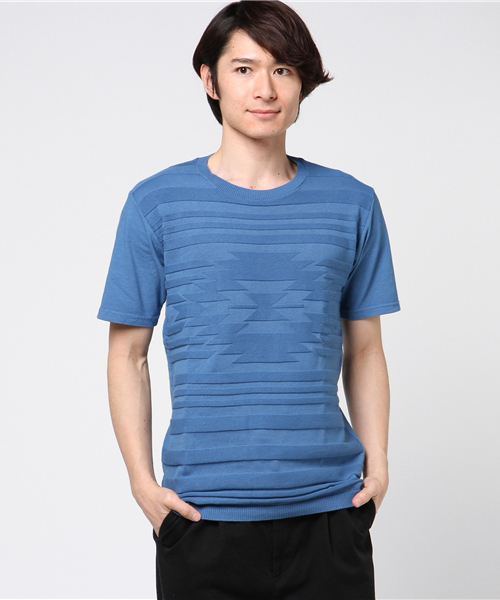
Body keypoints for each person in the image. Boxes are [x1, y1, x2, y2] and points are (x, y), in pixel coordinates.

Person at [97, 1, 401, 598]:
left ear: (302, 84)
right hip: (201, 517)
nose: (265, 89)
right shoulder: (156, 204)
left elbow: (365, 349)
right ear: (209, 81)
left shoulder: (352, 203)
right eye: (244, 69)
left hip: (330, 514)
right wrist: (141, 483)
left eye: (283, 70)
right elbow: (127, 354)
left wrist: (380, 463)